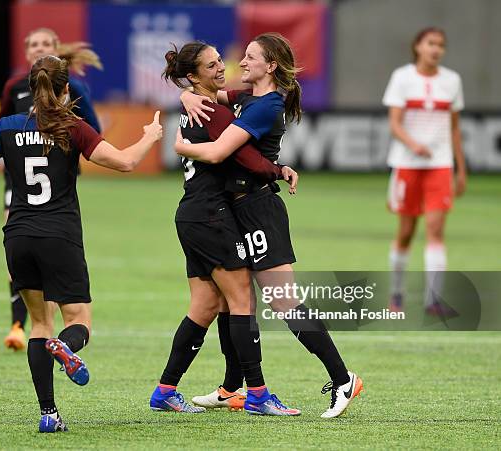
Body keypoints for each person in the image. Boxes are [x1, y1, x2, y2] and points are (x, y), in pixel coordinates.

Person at [0, 55, 163, 432]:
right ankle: (67, 347)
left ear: (32, 91)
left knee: (39, 323)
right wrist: (150, 138)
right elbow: (124, 163)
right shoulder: (73, 128)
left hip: (17, 236)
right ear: (66, 89)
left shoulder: (7, 126)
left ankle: (49, 415)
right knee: (79, 321)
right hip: (60, 236)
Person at [176, 32, 362, 418]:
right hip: (238, 211)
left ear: (270, 66)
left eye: (250, 57)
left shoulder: (265, 108)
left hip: (259, 209)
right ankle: (230, 389)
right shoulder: (249, 99)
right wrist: (186, 94)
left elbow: (216, 152)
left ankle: (343, 378)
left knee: (284, 301)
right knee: (234, 301)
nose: (241, 63)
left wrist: (179, 145)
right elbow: (207, 96)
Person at [149, 41, 301, 416]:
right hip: (212, 215)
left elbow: (224, 100)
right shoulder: (210, 112)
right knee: (241, 302)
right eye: (213, 65)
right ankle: (258, 395)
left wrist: (185, 93)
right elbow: (245, 157)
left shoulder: (201, 102)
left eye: (221, 60)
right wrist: (275, 169)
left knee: (205, 305)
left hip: (192, 214)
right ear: (195, 74)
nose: (222, 67)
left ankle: (165, 390)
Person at [0, 27, 103, 351]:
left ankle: (39, 327)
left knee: (32, 243)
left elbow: (93, 132)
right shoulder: (16, 85)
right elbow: (1, 126)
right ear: (26, 52)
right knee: (24, 243)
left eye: (46, 44)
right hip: (18, 176)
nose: (39, 48)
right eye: (34, 44)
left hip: (57, 178)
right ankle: (19, 323)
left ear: (57, 48)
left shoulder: (74, 87)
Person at [383, 27, 466, 316]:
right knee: (406, 231)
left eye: (441, 45)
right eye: (431, 43)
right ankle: (396, 294)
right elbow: (395, 123)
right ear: (418, 46)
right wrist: (413, 144)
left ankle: (433, 300)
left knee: (436, 230)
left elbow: (455, 128)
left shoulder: (452, 80)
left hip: (440, 166)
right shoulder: (402, 78)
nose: (436, 49)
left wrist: (460, 168)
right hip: (407, 165)